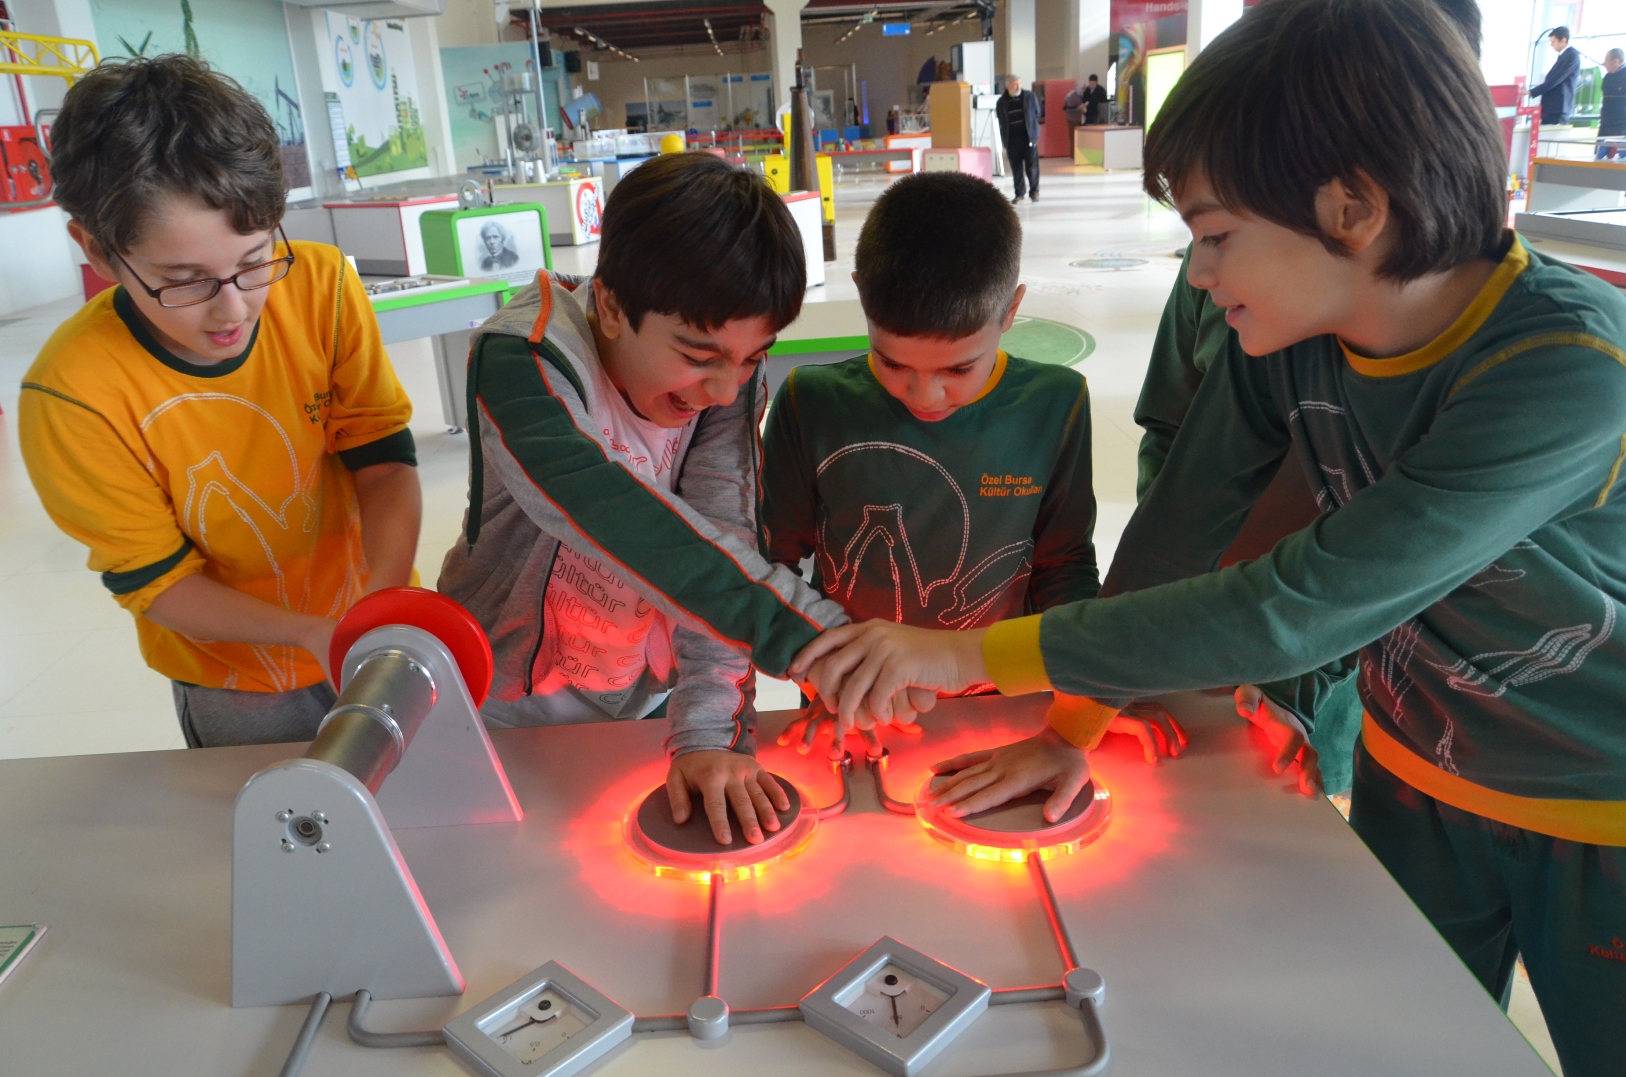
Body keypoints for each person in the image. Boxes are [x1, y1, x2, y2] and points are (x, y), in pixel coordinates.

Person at [790, 2, 1626, 1072]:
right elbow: (1178, 532)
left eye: (1217, 236)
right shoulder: (1296, 339)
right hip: (1415, 776)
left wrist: (965, 655)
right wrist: (1074, 726)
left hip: (1597, 810)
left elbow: (1296, 607)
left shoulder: (1562, 369)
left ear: (1353, 209)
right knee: (1411, 1046)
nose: (1197, 274)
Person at [1116, 0, 1488, 798]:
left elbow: (1351, 585)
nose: (1200, 273)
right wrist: (1092, 693)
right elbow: (1177, 494)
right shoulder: (1262, 319)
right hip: (1222, 643)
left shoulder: (1539, 369)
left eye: (1217, 236)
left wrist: (1294, 680)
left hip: (1359, 684)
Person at [437, 153, 848, 849]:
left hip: (639, 704)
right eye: (697, 355)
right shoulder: (523, 356)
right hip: (494, 708)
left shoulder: (727, 384)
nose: (724, 389)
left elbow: (722, 539)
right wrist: (814, 641)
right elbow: (610, 513)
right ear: (608, 306)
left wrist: (710, 731)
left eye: (752, 357)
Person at [18, 55, 421, 748]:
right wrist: (312, 633)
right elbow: (160, 582)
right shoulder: (74, 396)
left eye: (255, 260)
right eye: (185, 280)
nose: (233, 308)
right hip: (234, 677)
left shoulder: (320, 286)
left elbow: (382, 460)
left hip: (371, 623)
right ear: (97, 250)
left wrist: (379, 606)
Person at [761, 171, 1185, 764]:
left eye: (958, 369)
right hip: (854, 707)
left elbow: (1063, 565)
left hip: (1006, 703)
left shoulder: (1054, 404)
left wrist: (1090, 691)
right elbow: (768, 570)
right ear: (862, 298)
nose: (924, 394)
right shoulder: (810, 403)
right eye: (892, 363)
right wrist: (824, 674)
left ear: (1011, 310)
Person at [996, 75, 1041, 204]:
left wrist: (1034, 133)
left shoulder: (1029, 96)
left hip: (1028, 137)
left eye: (1019, 83)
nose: (1018, 87)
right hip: (1012, 140)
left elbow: (1037, 113)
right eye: (1015, 84)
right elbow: (1001, 120)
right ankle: (1019, 193)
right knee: (1016, 169)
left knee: (1032, 167)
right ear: (1008, 85)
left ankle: (1034, 192)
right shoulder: (1001, 102)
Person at [1529, 26, 1581, 125]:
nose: (1551, 44)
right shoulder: (1564, 56)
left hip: (1558, 109)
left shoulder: (1572, 56)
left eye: (1553, 41)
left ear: (1563, 41)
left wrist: (1531, 92)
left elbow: (1555, 80)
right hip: (1552, 109)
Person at [1598, 48, 1624, 160]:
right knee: (1599, 155)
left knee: (1618, 158)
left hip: (1620, 125)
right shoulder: (1608, 77)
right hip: (1605, 123)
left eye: (1606, 60)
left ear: (1616, 61)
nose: (1604, 63)